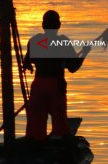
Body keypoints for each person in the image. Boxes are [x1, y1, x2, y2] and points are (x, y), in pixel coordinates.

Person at [23, 10, 85, 141]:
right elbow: (73, 67)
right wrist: (84, 52)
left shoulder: (34, 40)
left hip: (38, 84)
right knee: (60, 123)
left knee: (36, 125)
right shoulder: (63, 41)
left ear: (43, 25)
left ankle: (36, 145)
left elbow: (27, 62)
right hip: (56, 85)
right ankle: (61, 145)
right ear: (59, 25)